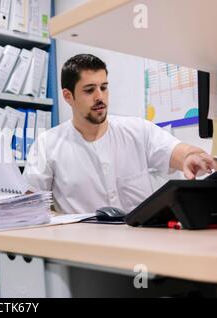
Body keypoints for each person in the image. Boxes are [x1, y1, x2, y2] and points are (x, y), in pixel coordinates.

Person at [23, 53, 217, 214]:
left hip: (139, 243)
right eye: (89, 90)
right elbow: (29, 208)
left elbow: (177, 151)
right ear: (68, 96)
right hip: (82, 251)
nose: (100, 96)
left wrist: (192, 156)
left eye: (104, 87)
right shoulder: (46, 145)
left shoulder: (137, 130)